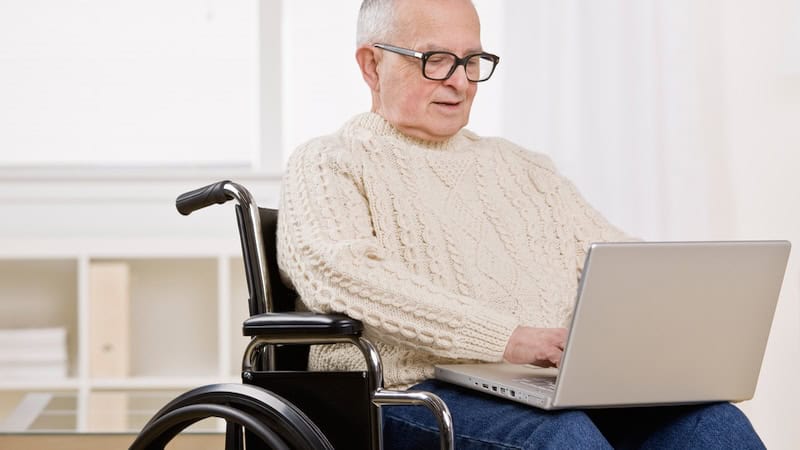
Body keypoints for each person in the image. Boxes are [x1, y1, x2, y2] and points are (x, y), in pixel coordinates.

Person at [276, 0, 765, 448]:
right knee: (564, 438)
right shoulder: (327, 162)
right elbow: (340, 276)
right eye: (437, 59)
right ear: (371, 63)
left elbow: (616, 259)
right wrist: (506, 336)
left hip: (540, 388)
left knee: (714, 424)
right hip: (405, 392)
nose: (461, 82)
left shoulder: (524, 168)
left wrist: (692, 300)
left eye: (472, 61)